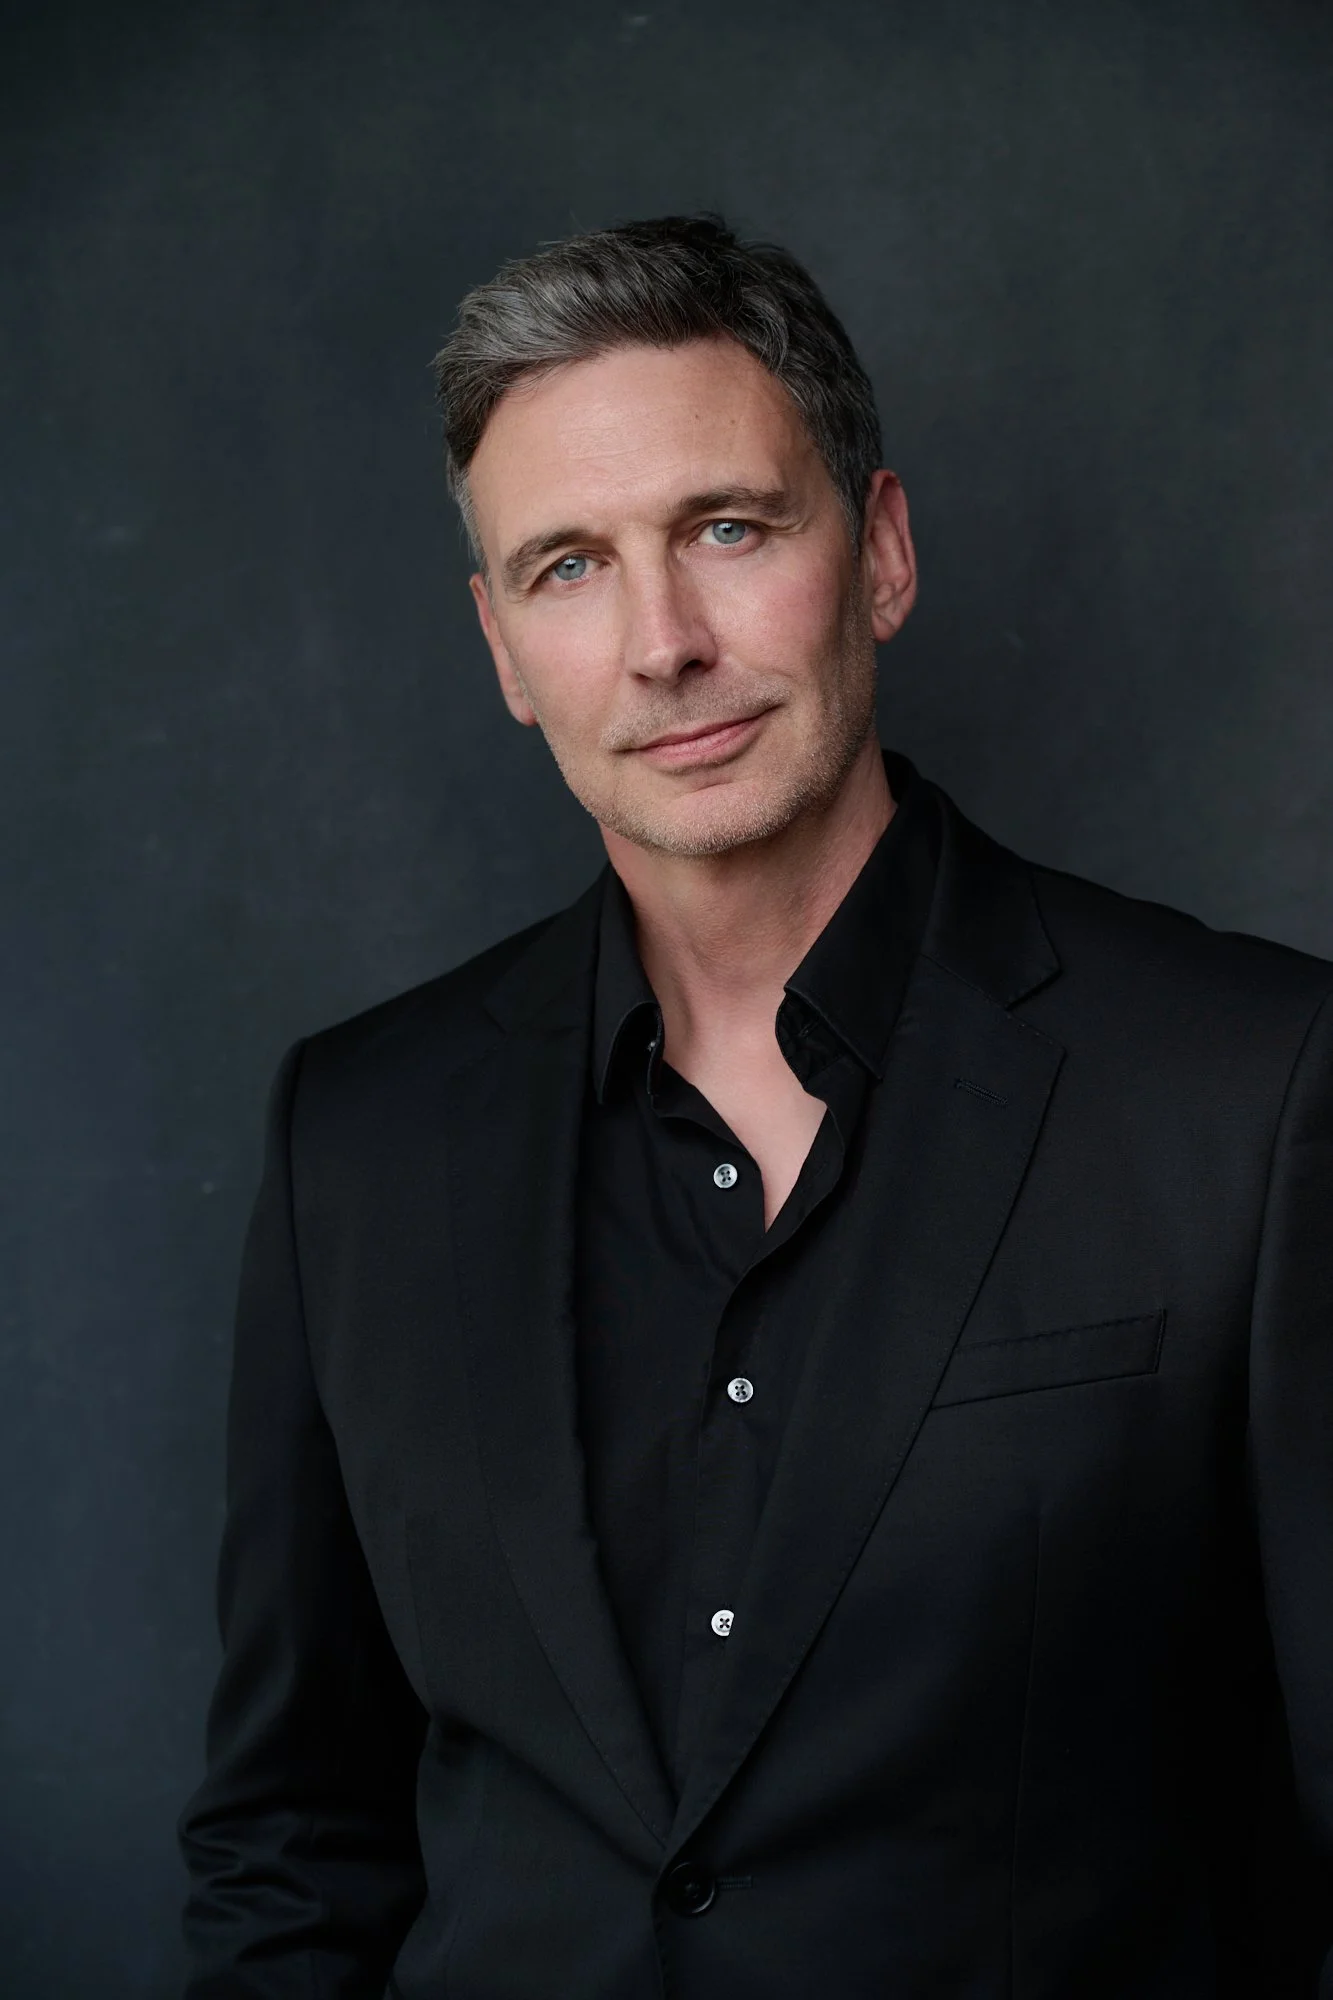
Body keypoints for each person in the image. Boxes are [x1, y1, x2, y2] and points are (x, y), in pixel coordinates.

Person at [179, 214, 1333, 1997]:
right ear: (504, 650)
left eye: (727, 527)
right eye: (570, 566)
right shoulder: (359, 1135)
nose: (664, 643)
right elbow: (291, 1843)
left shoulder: (1251, 1086)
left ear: (880, 553)